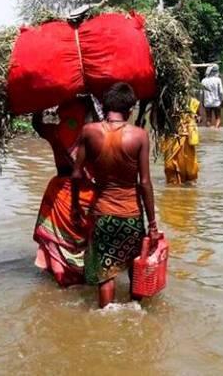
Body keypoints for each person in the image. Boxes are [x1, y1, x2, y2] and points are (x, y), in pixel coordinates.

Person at [71, 82, 160, 308]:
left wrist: (75, 206)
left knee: (106, 274)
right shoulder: (139, 136)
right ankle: (135, 311)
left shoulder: (89, 132)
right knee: (135, 269)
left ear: (104, 106)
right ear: (130, 110)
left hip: (103, 215)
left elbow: (76, 174)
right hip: (131, 215)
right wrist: (152, 224)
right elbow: (145, 183)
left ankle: (106, 317)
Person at [32, 99, 96, 287]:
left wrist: (40, 102)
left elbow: (37, 124)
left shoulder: (56, 133)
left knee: (56, 242)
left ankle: (61, 275)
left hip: (60, 193)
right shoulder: (94, 136)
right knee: (86, 242)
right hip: (86, 194)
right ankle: (84, 275)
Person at [162, 97, 200, 185]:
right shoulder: (166, 102)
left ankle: (183, 194)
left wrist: (193, 120)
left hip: (186, 140)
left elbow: (198, 117)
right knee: (171, 168)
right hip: (173, 139)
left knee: (189, 172)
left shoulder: (192, 102)